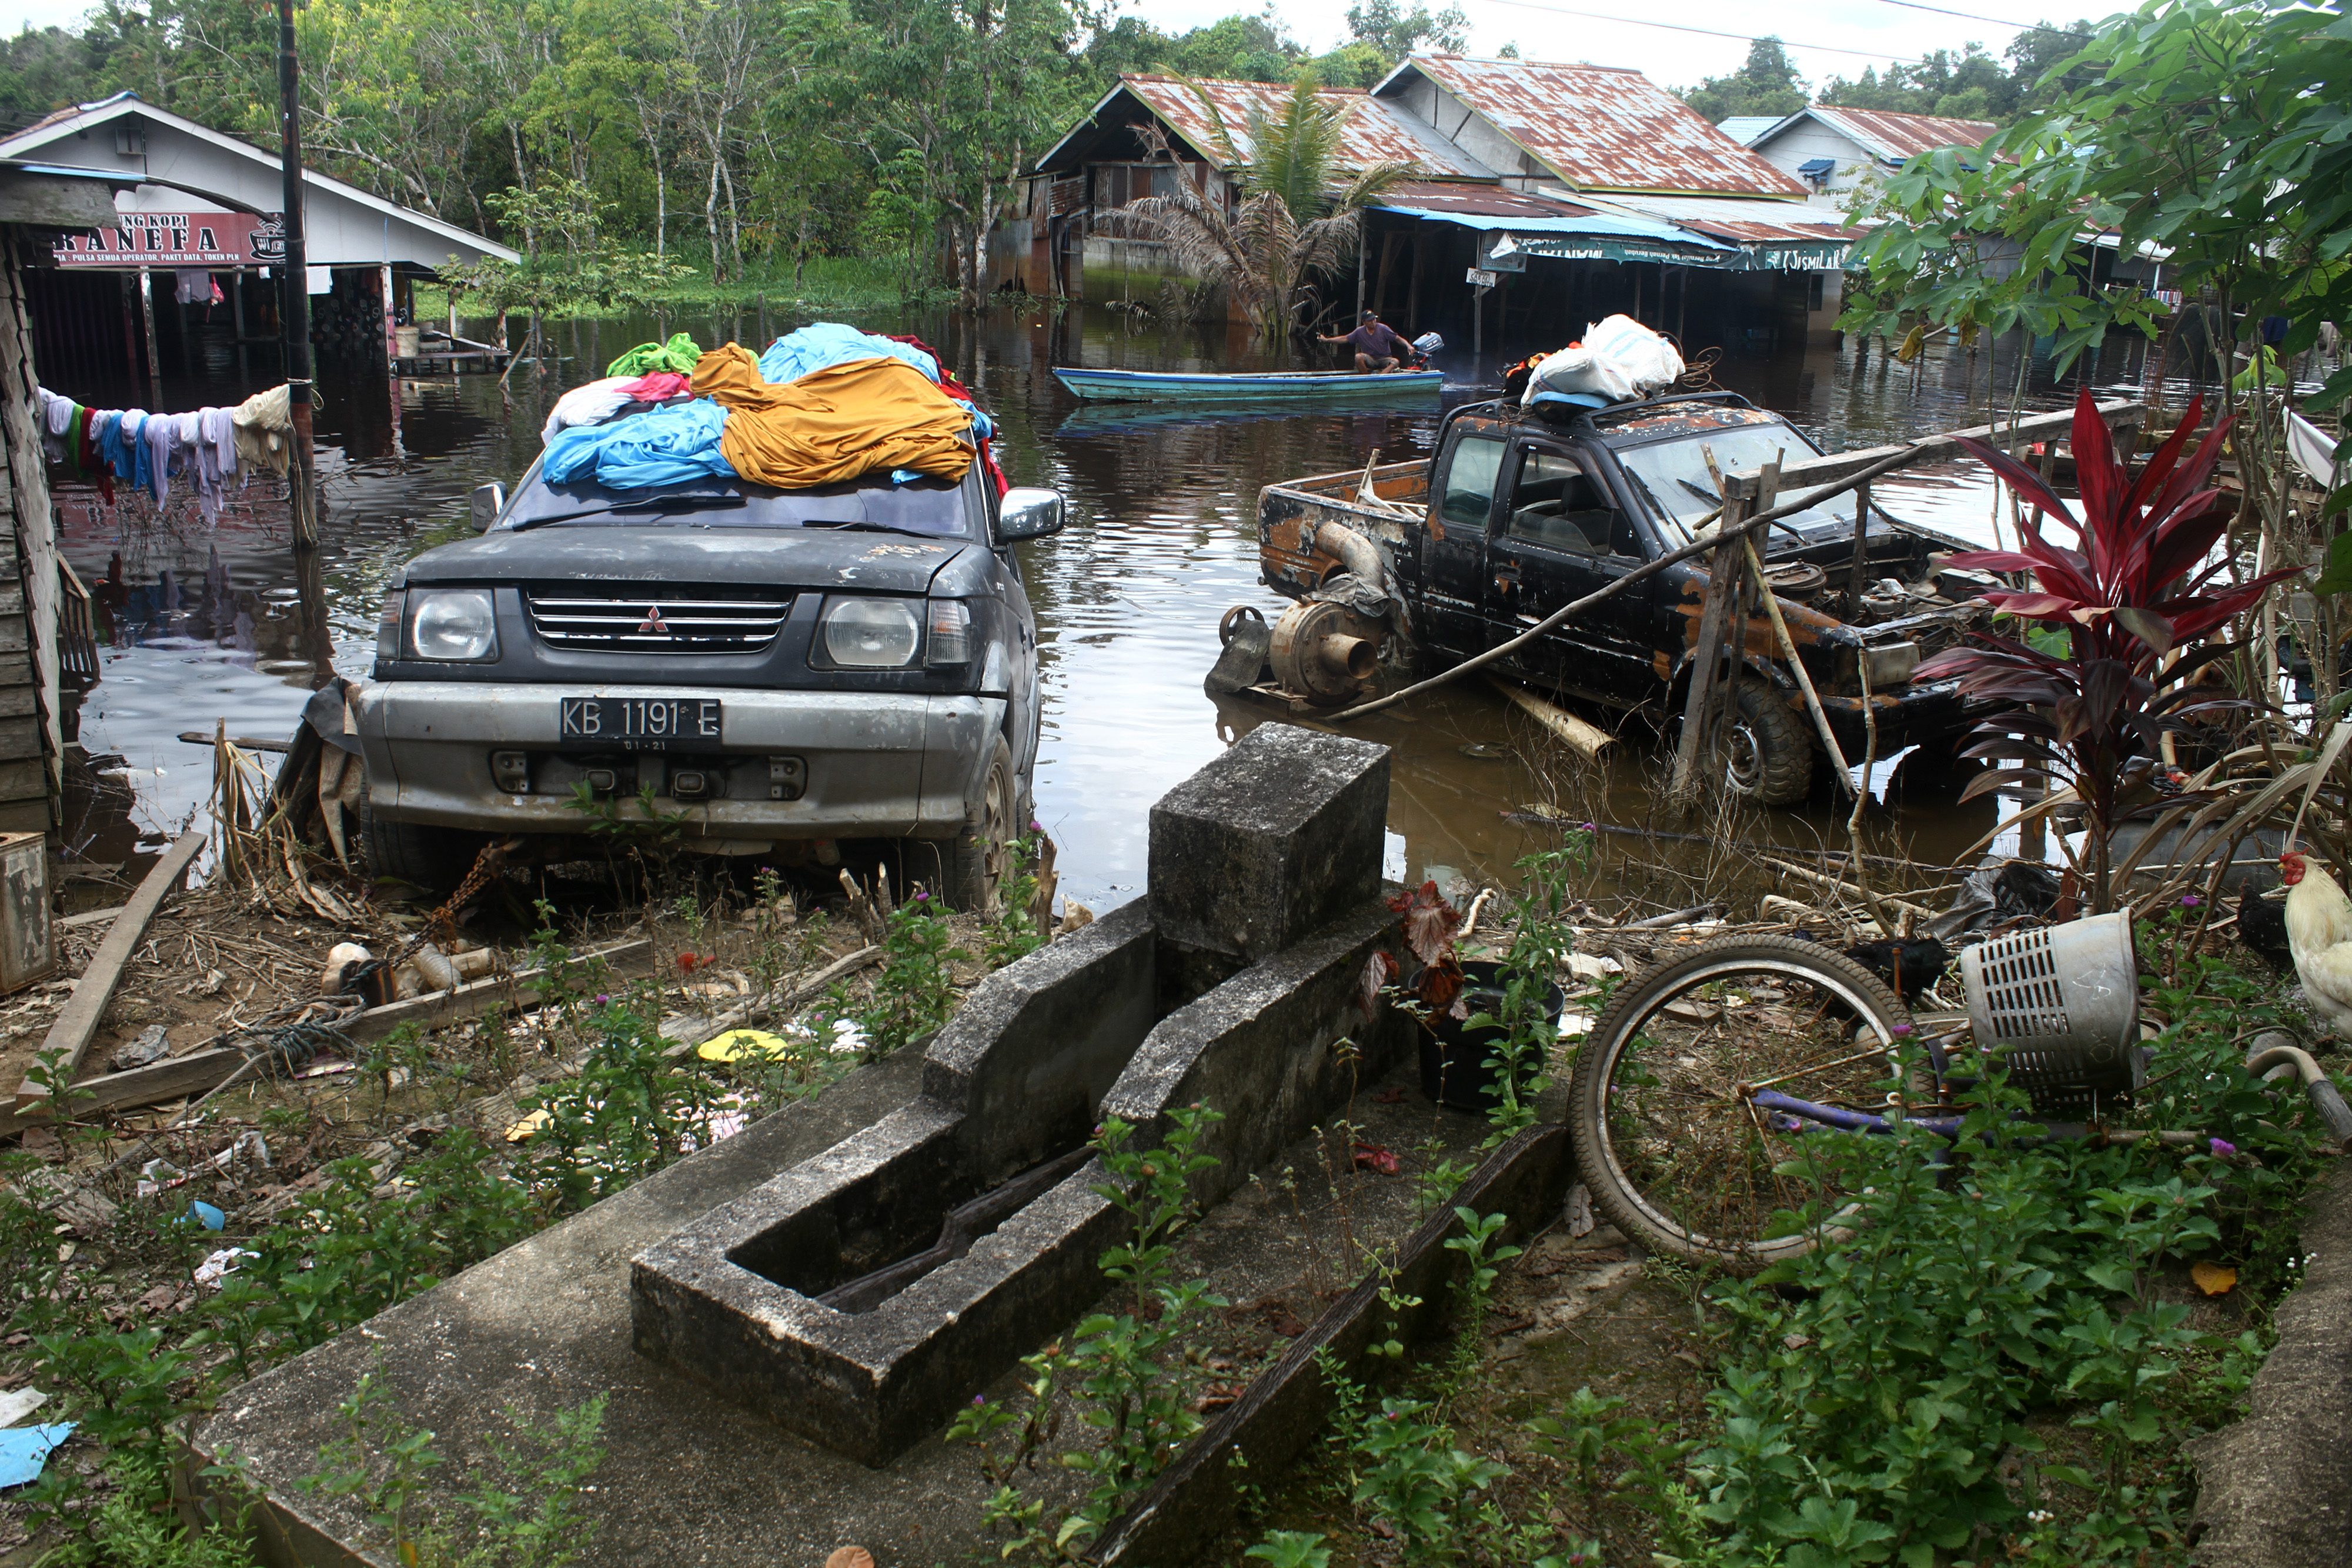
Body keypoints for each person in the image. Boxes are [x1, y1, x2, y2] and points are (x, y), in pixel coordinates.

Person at [1319, 312, 1414, 372]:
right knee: (1358, 357)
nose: (1373, 322)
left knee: (1395, 361)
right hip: (1371, 359)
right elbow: (1345, 339)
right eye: (1370, 321)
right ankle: (1367, 378)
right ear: (1364, 322)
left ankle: (1381, 377)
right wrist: (1327, 340)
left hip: (1384, 359)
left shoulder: (1383, 328)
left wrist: (1408, 346)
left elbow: (1398, 339)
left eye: (1374, 319)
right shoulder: (1359, 331)